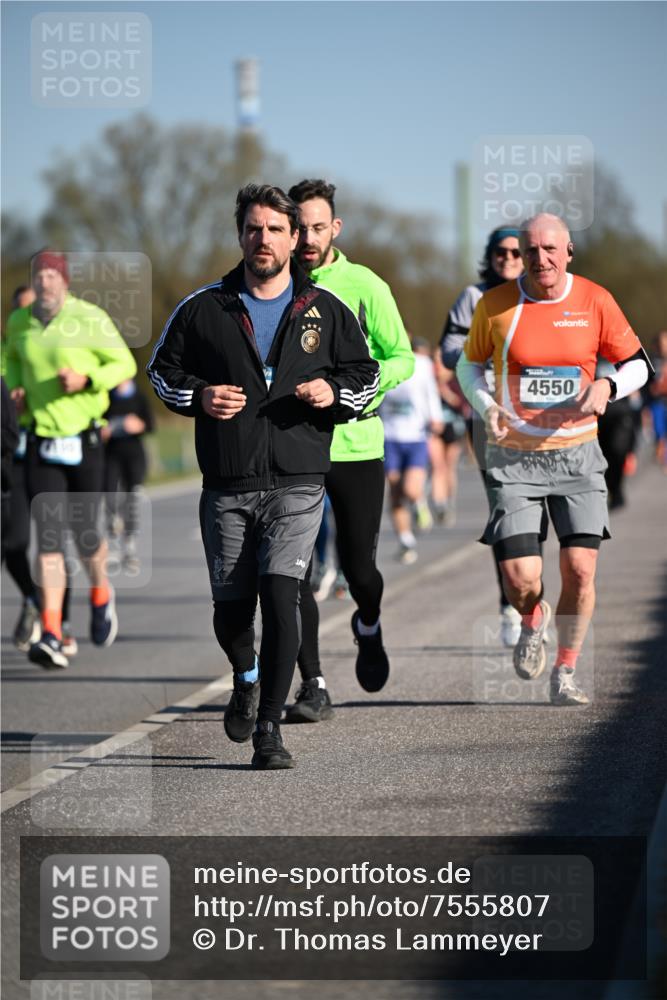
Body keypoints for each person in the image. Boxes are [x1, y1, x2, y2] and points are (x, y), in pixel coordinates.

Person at [147, 184, 379, 768]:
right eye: (254, 229)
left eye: (277, 229)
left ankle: (270, 728)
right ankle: (245, 677)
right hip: (227, 483)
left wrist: (335, 393)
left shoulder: (326, 309)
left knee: (281, 597)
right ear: (240, 236)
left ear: (296, 237)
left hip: (299, 479)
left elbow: (367, 377)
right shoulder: (205, 307)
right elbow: (160, 372)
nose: (264, 239)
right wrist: (200, 396)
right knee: (232, 611)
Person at [456, 213, 651, 706]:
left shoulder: (594, 300)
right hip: (514, 458)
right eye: (530, 251)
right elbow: (468, 364)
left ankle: (564, 670)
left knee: (581, 569)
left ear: (567, 253)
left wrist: (607, 385)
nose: (539, 259)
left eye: (549, 250)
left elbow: (638, 366)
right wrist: (487, 406)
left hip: (578, 456)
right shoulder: (497, 305)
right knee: (522, 578)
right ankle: (531, 616)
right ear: (519, 254)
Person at [284, 179, 414, 723]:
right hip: (292, 445)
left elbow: (402, 356)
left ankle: (369, 622)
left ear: (335, 228)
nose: (308, 238)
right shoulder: (274, 285)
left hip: (356, 445)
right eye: (301, 228)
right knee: (294, 571)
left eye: (318, 227)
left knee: (360, 569)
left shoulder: (364, 284)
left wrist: (351, 387)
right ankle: (312, 684)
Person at [4, 250, 136, 668]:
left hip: (84, 440)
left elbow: (124, 363)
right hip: (41, 439)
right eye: (38, 274)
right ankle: (53, 631)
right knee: (48, 539)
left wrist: (87, 379)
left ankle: (101, 593)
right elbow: (10, 362)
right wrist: (16, 391)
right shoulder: (19, 323)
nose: (44, 282)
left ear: (64, 281)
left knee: (84, 535)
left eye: (51, 275)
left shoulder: (89, 317)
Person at [441, 226, 525, 646]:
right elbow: (448, 349)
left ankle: (533, 602)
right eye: (500, 253)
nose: (508, 259)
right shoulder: (473, 298)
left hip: (544, 420)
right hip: (491, 417)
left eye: (515, 252)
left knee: (540, 516)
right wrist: (484, 346)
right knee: (507, 510)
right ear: (490, 257)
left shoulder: (544, 296)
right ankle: (510, 605)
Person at [381, 339, 444, 564]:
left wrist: (436, 417)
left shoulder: (422, 363)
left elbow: (430, 392)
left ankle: (419, 502)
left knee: (410, 489)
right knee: (395, 491)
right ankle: (406, 540)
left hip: (416, 435)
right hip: (389, 436)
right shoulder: (378, 360)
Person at [102, 378, 154, 571]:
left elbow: (150, 424)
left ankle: (130, 550)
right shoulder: (106, 396)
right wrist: (104, 429)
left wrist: (138, 425)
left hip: (134, 455)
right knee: (109, 497)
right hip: (111, 454)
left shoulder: (139, 397)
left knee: (131, 501)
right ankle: (113, 548)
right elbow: (98, 423)